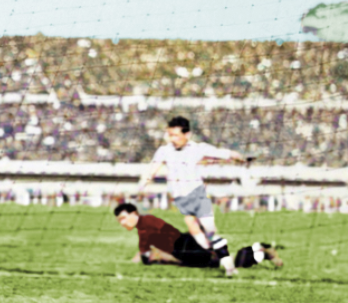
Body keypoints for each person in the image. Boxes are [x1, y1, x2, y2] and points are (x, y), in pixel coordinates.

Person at [137, 116, 249, 276]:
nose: (172, 139)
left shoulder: (198, 148)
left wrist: (240, 157)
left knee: (210, 231)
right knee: (198, 234)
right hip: (181, 200)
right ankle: (216, 257)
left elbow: (224, 153)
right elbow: (152, 169)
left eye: (176, 135)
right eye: (170, 135)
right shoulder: (164, 150)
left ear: (187, 135)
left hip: (197, 196)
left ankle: (229, 267)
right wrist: (142, 184)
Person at [114, 202, 282, 269]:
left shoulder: (145, 225)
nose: (122, 223)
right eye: (119, 220)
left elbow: (145, 255)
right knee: (222, 262)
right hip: (185, 246)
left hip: (187, 247)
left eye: (123, 218)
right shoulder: (145, 224)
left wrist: (155, 256)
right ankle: (259, 250)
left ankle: (261, 249)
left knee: (221, 263)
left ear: (133, 213)